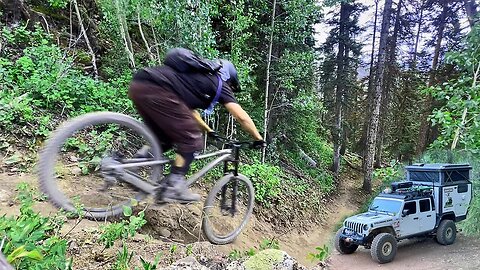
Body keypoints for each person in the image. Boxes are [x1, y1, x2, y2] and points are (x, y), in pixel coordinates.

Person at [128, 48, 265, 203]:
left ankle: (132, 165)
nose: (230, 89)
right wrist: (258, 138)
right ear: (229, 78)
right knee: (192, 140)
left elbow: (191, 113)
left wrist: (209, 130)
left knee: (164, 138)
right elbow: (241, 117)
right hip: (160, 92)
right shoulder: (219, 83)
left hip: (139, 85)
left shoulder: (195, 78)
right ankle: (174, 185)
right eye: (231, 86)